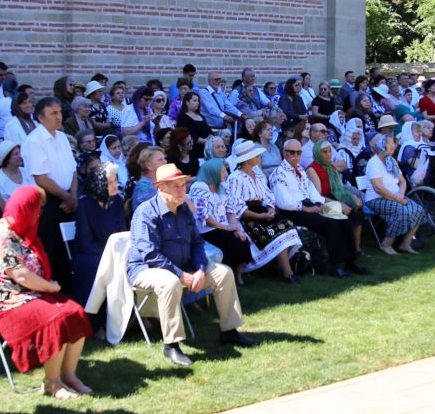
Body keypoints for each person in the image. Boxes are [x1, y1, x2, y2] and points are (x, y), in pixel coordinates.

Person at [128, 164, 254, 368]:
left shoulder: (184, 209)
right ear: (161, 188)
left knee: (223, 273)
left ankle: (229, 331)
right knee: (169, 282)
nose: (182, 190)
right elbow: (150, 254)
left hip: (183, 265)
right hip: (147, 269)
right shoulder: (146, 212)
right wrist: (182, 275)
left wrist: (200, 269)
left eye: (183, 185)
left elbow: (196, 243)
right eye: (176, 186)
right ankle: (172, 345)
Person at [0, 186, 93, 398]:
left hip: (34, 293)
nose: (40, 214)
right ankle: (52, 382)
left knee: (76, 312)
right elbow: (21, 275)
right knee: (56, 319)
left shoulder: (22, 228)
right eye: (37, 208)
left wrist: (47, 287)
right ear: (25, 208)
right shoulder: (2, 235)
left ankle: (68, 374)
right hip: (11, 300)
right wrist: (50, 287)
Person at [272, 138, 363, 277]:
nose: (295, 155)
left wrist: (320, 204)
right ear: (284, 152)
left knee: (344, 218)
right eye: (291, 152)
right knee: (331, 223)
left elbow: (312, 191)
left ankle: (350, 262)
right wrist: (307, 209)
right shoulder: (279, 173)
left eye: (298, 152)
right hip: (294, 212)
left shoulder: (300, 170)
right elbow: (284, 202)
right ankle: (336, 266)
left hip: (311, 206)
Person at [222, 140, 301, 280]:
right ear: (248, 159)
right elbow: (236, 207)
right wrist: (260, 216)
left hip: (262, 210)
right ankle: (287, 273)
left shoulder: (258, 175)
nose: (259, 157)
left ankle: (280, 267)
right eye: (256, 155)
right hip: (247, 216)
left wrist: (270, 208)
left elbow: (268, 195)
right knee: (277, 233)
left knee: (288, 226)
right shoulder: (235, 178)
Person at [23, 96, 79, 289]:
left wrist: (73, 196)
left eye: (60, 112)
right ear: (41, 117)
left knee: (68, 248)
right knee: (50, 248)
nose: (58, 116)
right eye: (53, 113)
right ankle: (49, 288)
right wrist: (67, 197)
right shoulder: (34, 141)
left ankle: (68, 288)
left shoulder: (62, 137)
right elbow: (41, 178)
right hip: (48, 201)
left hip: (68, 198)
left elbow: (72, 169)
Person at [72, 159, 127, 307]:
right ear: (99, 183)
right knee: (99, 266)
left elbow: (122, 232)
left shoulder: (117, 201)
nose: (115, 185)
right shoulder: (85, 204)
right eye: (110, 182)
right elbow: (85, 242)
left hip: (114, 252)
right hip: (89, 254)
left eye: (115, 181)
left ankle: (128, 311)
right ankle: (96, 315)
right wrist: (109, 255)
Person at [359, 133, 421, 255]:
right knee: (402, 211)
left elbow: (402, 181)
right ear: (382, 146)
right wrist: (397, 199)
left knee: (418, 209)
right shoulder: (373, 162)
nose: (394, 146)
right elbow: (378, 188)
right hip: (376, 199)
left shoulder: (391, 161)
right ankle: (386, 244)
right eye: (390, 144)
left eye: (393, 143)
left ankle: (405, 244)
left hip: (395, 196)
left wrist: (401, 194)